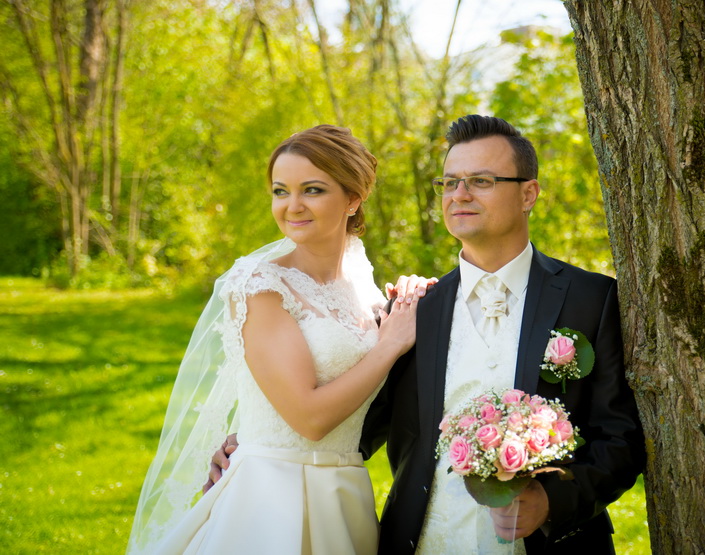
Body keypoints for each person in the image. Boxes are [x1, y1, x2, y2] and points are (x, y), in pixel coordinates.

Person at [210, 115, 646, 553]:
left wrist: (551, 502)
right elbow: (360, 418)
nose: (460, 194)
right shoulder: (415, 310)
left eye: (481, 180)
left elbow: (620, 437)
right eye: (450, 182)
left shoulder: (592, 298)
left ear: (528, 193)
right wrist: (250, 445)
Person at [127, 125, 429, 554]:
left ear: (354, 198)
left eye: (312, 190)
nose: (292, 206)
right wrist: (389, 345)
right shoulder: (259, 285)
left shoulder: (365, 286)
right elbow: (307, 417)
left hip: (345, 493)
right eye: (280, 191)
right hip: (271, 496)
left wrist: (412, 298)